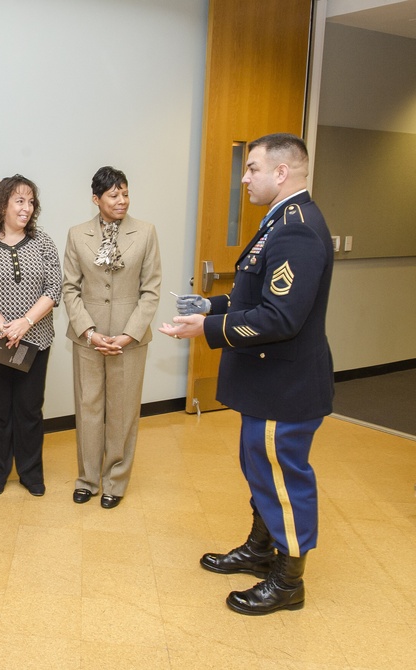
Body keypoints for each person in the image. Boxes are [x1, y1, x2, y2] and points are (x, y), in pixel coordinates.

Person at [160, 133, 334, 615]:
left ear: (281, 172)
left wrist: (210, 327)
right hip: (269, 383)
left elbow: (281, 317)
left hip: (286, 386)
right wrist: (209, 306)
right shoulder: (278, 221)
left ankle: (288, 581)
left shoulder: (297, 227)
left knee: (283, 478)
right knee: (261, 469)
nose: (244, 177)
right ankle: (261, 550)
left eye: (252, 168)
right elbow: (255, 296)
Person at [62, 167, 162, 509]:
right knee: (88, 409)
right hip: (87, 337)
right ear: (96, 199)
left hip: (129, 340)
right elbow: (70, 288)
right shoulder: (77, 235)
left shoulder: (145, 232)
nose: (121, 201)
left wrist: (127, 334)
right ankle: (88, 479)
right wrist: (88, 331)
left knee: (122, 412)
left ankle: (115, 482)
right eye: (113, 195)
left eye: (125, 193)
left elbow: (151, 291)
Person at [0, 175, 62, 496]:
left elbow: (54, 288)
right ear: (3, 204)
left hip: (34, 340)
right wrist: (4, 326)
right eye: (19, 201)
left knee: (29, 409)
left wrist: (24, 322)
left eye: (31, 202)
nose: (27, 208)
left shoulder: (43, 241)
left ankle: (30, 472)